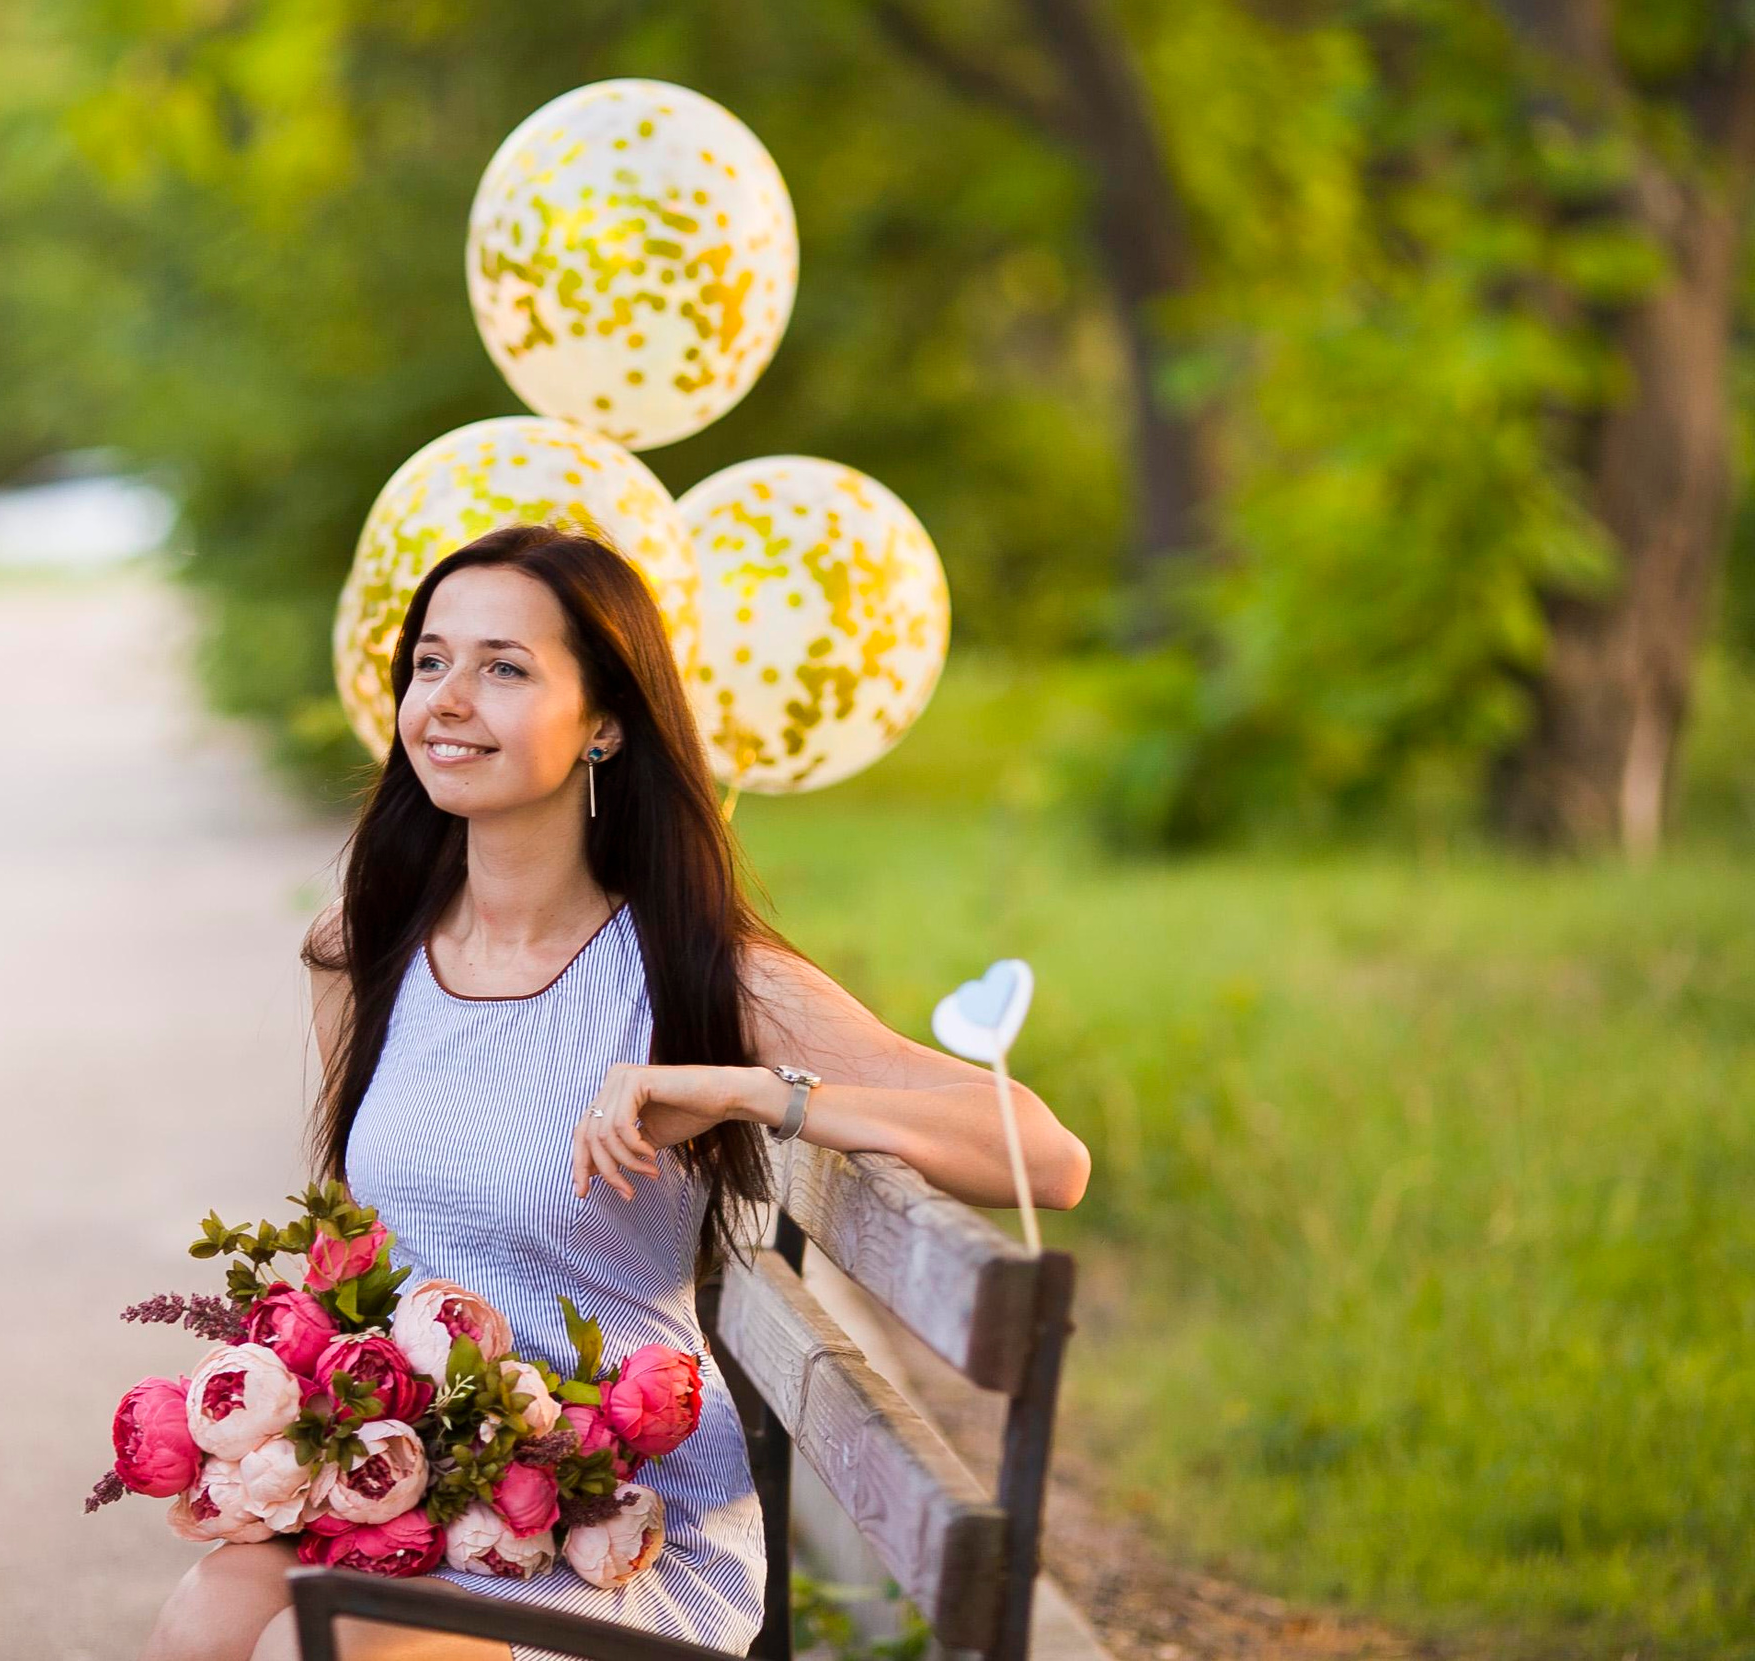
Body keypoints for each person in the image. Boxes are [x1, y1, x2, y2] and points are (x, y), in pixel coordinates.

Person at [141, 525, 1091, 1661]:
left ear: (602, 722)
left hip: (620, 1532)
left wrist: (751, 1091)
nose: (446, 698)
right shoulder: (365, 950)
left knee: (320, 1652)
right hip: (419, 1501)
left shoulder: (701, 975)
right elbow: (363, 1245)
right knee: (209, 1616)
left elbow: (1044, 1157)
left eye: (504, 667)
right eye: (430, 662)